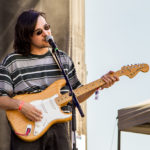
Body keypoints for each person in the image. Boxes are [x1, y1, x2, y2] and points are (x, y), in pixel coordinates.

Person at [0, 9, 119, 150]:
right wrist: (21, 106)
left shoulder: (62, 59)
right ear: (27, 36)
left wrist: (99, 84)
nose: (46, 34)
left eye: (46, 27)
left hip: (58, 127)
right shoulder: (12, 61)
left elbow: (76, 95)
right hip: (27, 127)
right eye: (39, 32)